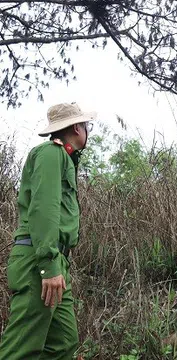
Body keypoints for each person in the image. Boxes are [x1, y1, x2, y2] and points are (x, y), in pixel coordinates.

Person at [0, 102, 95, 359]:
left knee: (63, 342)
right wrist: (49, 266)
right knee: (21, 348)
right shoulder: (50, 154)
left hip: (55, 259)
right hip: (39, 259)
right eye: (87, 126)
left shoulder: (63, 157)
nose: (88, 130)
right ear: (77, 127)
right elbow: (44, 211)